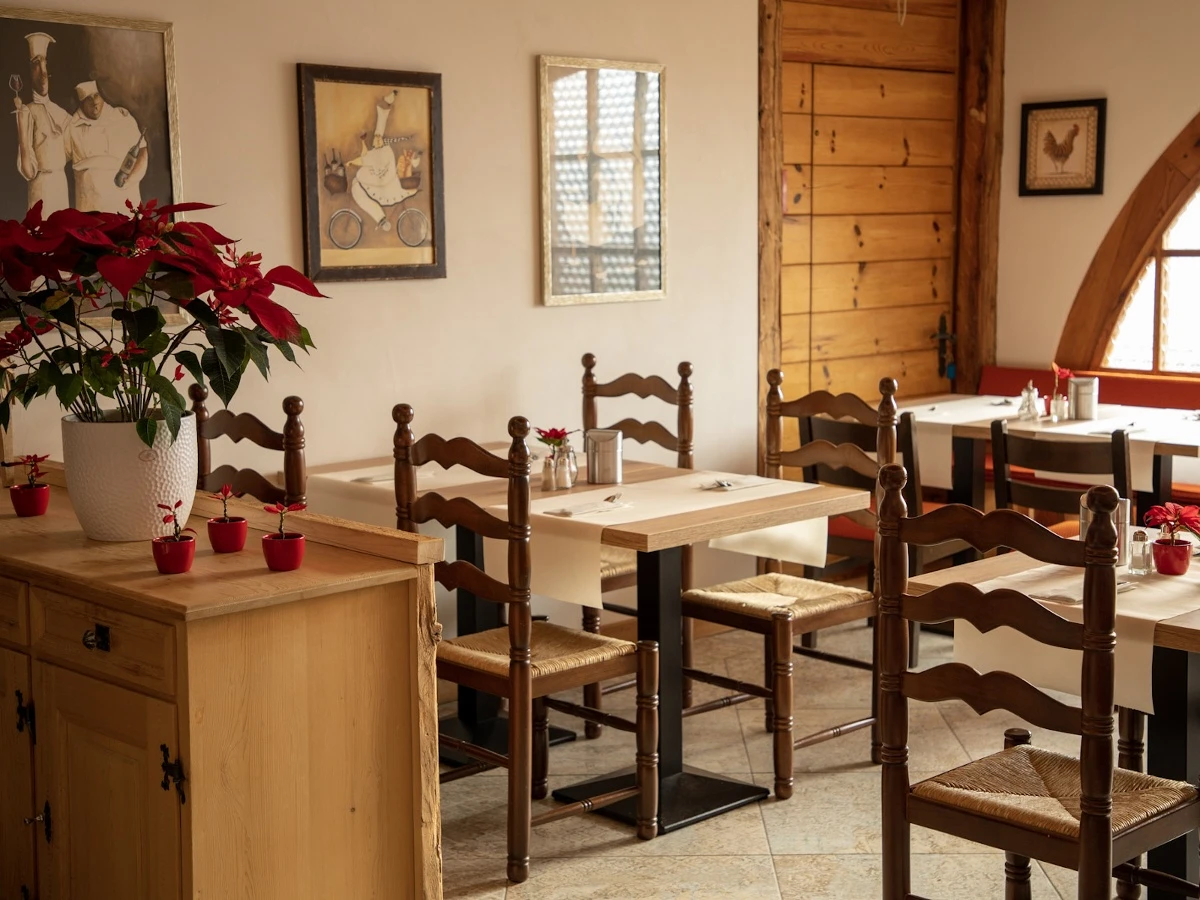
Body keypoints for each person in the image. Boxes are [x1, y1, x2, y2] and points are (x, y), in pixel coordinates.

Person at [65, 80, 147, 212]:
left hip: (123, 202)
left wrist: (131, 180)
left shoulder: (122, 118)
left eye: (96, 96)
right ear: (81, 103)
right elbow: (58, 161)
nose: (94, 102)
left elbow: (142, 151)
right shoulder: (71, 127)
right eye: (88, 99)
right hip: (91, 205)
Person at [13, 32, 71, 214]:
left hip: (61, 186)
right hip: (40, 189)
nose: (43, 73)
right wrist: (21, 126)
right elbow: (29, 172)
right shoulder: (27, 112)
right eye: (36, 65)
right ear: (30, 72)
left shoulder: (62, 113)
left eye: (44, 64)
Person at [346, 90, 418, 232]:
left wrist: (351, 162)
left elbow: (364, 159)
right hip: (384, 179)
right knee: (357, 185)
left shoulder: (382, 152)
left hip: (384, 182)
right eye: (376, 139)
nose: (376, 139)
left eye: (378, 139)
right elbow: (367, 154)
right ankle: (385, 105)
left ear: (382, 142)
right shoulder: (380, 149)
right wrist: (363, 143)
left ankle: (381, 219)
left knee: (357, 188)